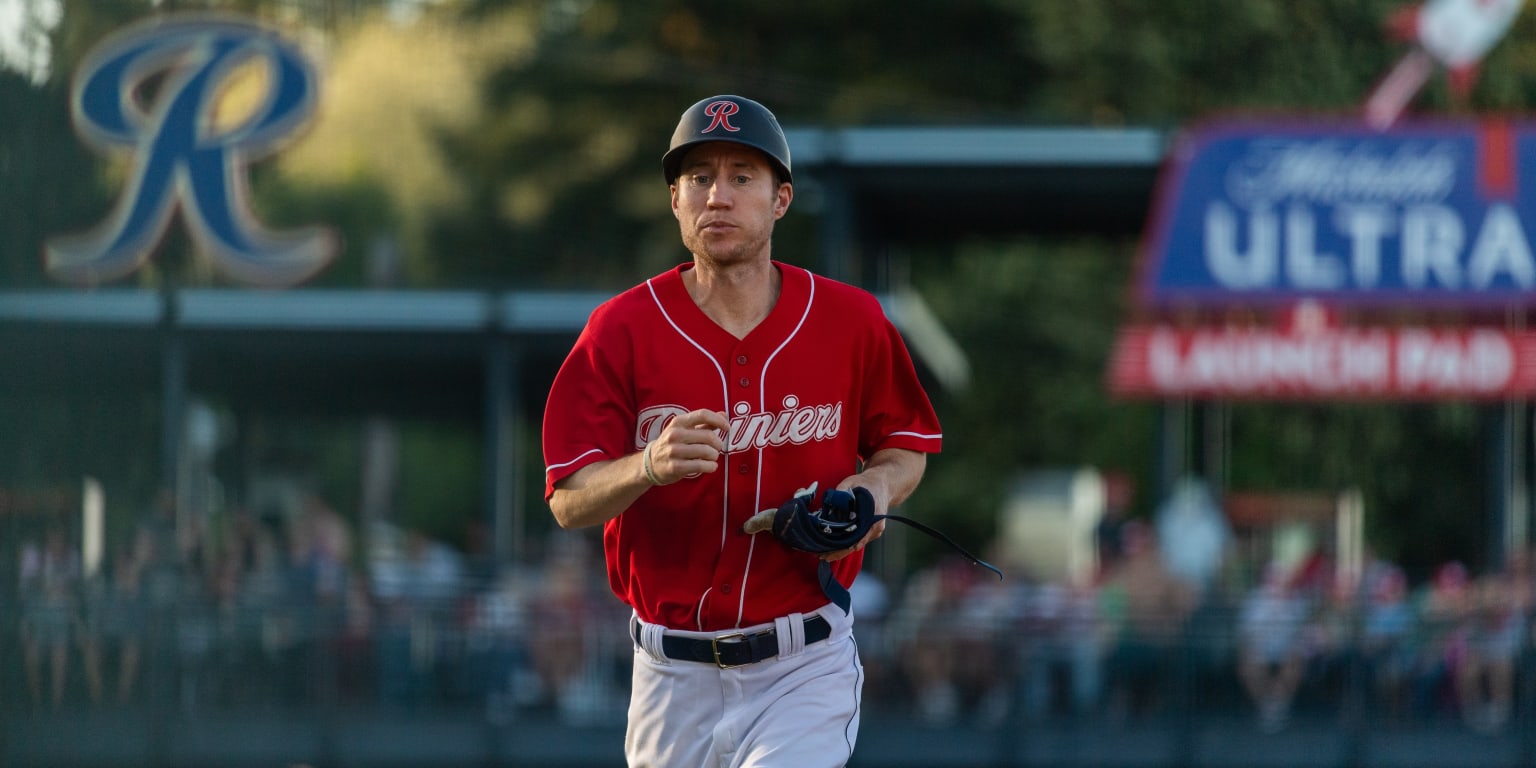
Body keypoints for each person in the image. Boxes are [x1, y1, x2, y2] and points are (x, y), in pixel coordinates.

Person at [541, 94, 942, 767]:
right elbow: (567, 499)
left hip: (802, 665)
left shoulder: (850, 321)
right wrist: (646, 465)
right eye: (698, 178)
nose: (717, 196)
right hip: (672, 677)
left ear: (781, 199)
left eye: (741, 177)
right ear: (675, 201)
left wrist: (872, 489)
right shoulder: (620, 331)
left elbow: (907, 444)